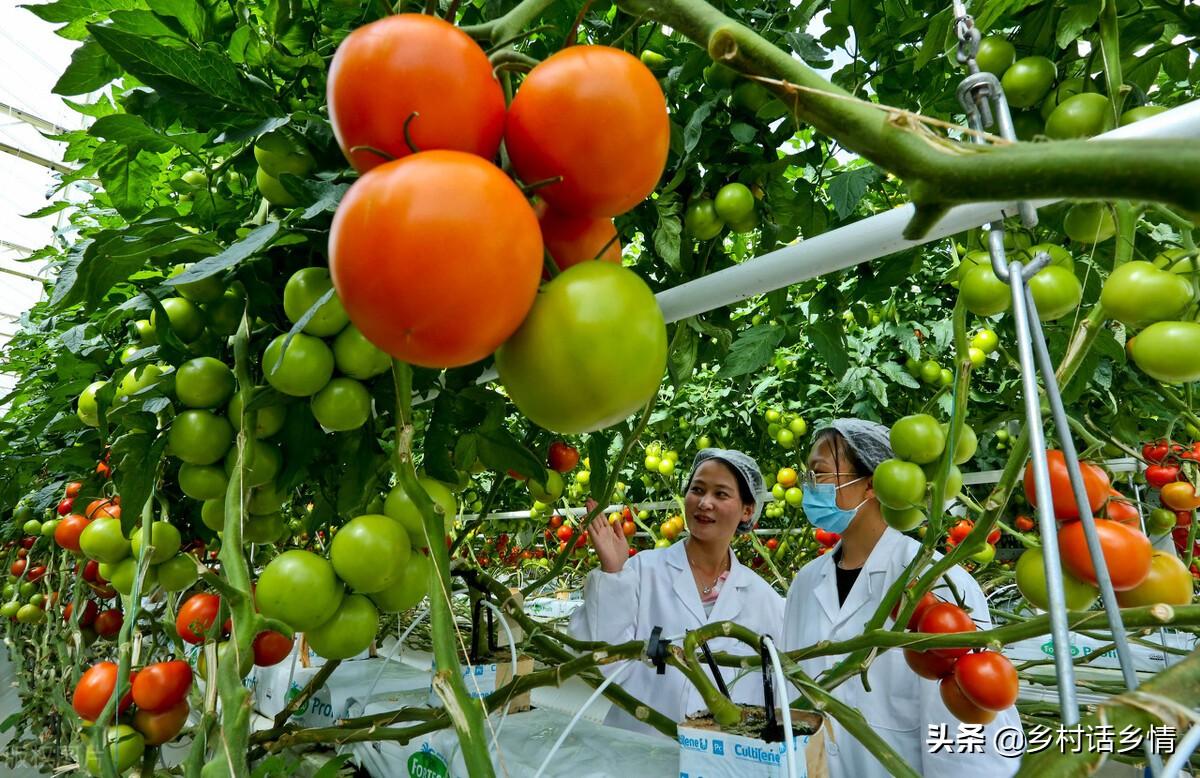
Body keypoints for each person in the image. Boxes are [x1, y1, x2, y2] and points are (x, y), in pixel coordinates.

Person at [782, 419, 1020, 777]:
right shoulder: (805, 583)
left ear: (871, 485)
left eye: (819, 474)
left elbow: (969, 737)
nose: (809, 488)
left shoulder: (939, 584)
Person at [569, 448, 785, 736]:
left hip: (722, 760)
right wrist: (612, 574)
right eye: (697, 490)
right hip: (640, 749)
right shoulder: (642, 571)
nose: (704, 502)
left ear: (747, 510)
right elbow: (598, 663)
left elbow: (775, 693)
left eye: (721, 494)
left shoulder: (763, 599)